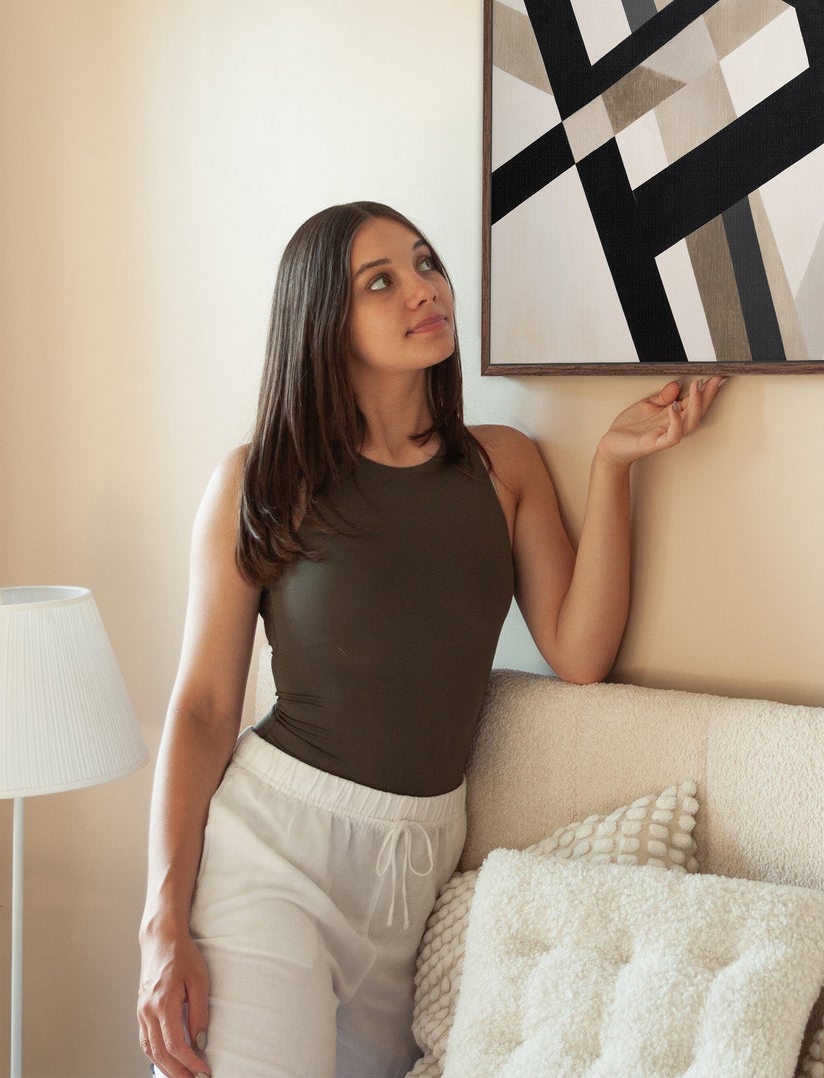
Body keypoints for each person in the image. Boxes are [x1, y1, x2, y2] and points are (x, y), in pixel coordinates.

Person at [136, 201, 726, 1078]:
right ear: (324, 322)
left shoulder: (502, 465)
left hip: (418, 866)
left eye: (424, 263)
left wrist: (611, 467)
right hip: (273, 855)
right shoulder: (263, 479)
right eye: (382, 281)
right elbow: (204, 708)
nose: (424, 288)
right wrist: (162, 922)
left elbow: (578, 652)